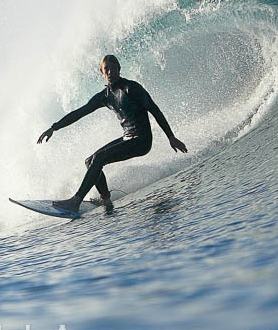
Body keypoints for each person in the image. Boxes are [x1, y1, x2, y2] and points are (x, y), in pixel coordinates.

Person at [37, 55, 188, 212]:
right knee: (90, 162)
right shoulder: (105, 96)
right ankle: (105, 198)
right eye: (106, 69)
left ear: (119, 68)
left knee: (99, 158)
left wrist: (171, 137)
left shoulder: (131, 88)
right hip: (127, 138)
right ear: (102, 73)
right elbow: (79, 112)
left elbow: (154, 109)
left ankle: (75, 201)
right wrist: (54, 128)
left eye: (113, 68)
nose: (110, 72)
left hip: (141, 140)